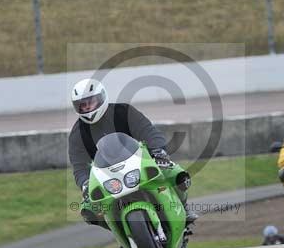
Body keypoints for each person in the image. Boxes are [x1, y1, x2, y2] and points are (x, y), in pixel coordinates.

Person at [68, 78, 196, 230]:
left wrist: (158, 151)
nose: (88, 108)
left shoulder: (124, 112)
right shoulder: (77, 134)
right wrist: (85, 183)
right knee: (89, 210)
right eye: (82, 105)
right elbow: (79, 166)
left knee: (176, 174)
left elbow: (148, 131)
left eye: (91, 102)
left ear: (102, 97)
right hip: (107, 177)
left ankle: (184, 208)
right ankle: (124, 235)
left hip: (139, 162)